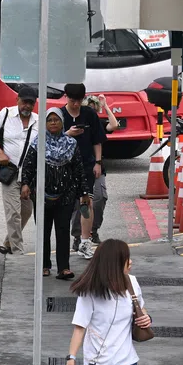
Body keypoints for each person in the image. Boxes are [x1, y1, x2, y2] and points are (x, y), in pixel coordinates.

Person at [19, 109, 91, 280]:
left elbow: (78, 170)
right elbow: (28, 166)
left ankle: (64, 268)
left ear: (62, 123)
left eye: (56, 120)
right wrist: (25, 184)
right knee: (43, 231)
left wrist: (84, 193)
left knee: (63, 230)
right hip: (42, 195)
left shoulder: (71, 144)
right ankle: (44, 265)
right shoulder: (38, 143)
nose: (52, 123)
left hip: (65, 196)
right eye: (49, 120)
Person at [0, 88, 39, 255]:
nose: (27, 106)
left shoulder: (38, 121)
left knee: (26, 211)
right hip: (10, 172)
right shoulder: (6, 114)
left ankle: (9, 242)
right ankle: (17, 251)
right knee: (13, 213)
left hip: (29, 175)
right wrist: (0, 153)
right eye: (25, 102)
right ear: (17, 100)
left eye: (31, 103)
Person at [60, 83, 106, 259]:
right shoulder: (59, 115)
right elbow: (50, 141)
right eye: (73, 100)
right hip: (64, 166)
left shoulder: (89, 114)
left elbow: (97, 140)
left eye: (79, 101)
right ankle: (67, 241)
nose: (76, 104)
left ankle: (86, 243)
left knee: (87, 204)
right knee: (65, 206)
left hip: (86, 164)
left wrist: (98, 162)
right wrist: (68, 134)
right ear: (66, 97)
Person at [71, 95, 118, 247]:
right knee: (81, 202)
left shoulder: (98, 124)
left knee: (99, 198)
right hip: (80, 167)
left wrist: (106, 106)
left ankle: (93, 230)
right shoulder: (77, 126)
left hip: (97, 169)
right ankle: (79, 235)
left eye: (94, 109)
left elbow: (114, 125)